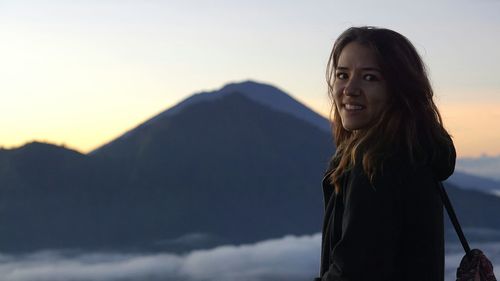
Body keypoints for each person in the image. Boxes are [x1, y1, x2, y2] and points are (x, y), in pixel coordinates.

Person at [314, 26, 456, 281]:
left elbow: (353, 273)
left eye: (369, 78)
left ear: (399, 89)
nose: (349, 88)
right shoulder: (416, 151)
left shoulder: (376, 164)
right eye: (342, 75)